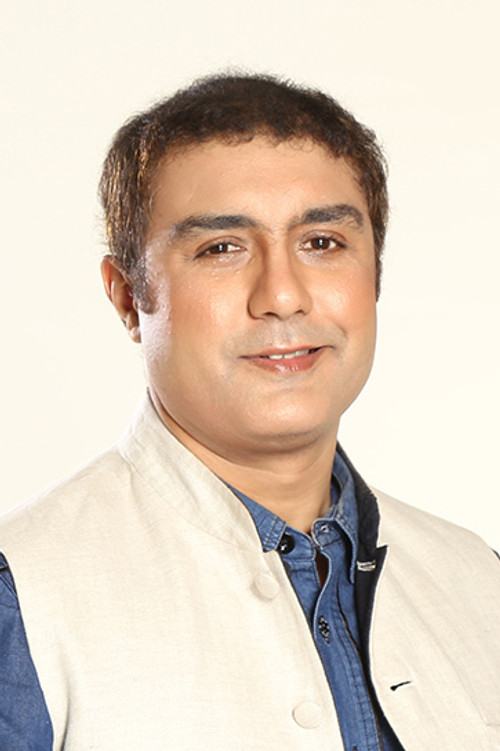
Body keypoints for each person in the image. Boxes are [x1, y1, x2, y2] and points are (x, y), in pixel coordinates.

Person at [0, 73, 498, 751]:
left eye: (322, 241)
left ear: (375, 272)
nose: (283, 295)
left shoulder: (479, 580)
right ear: (127, 297)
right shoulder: (24, 596)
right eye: (221, 248)